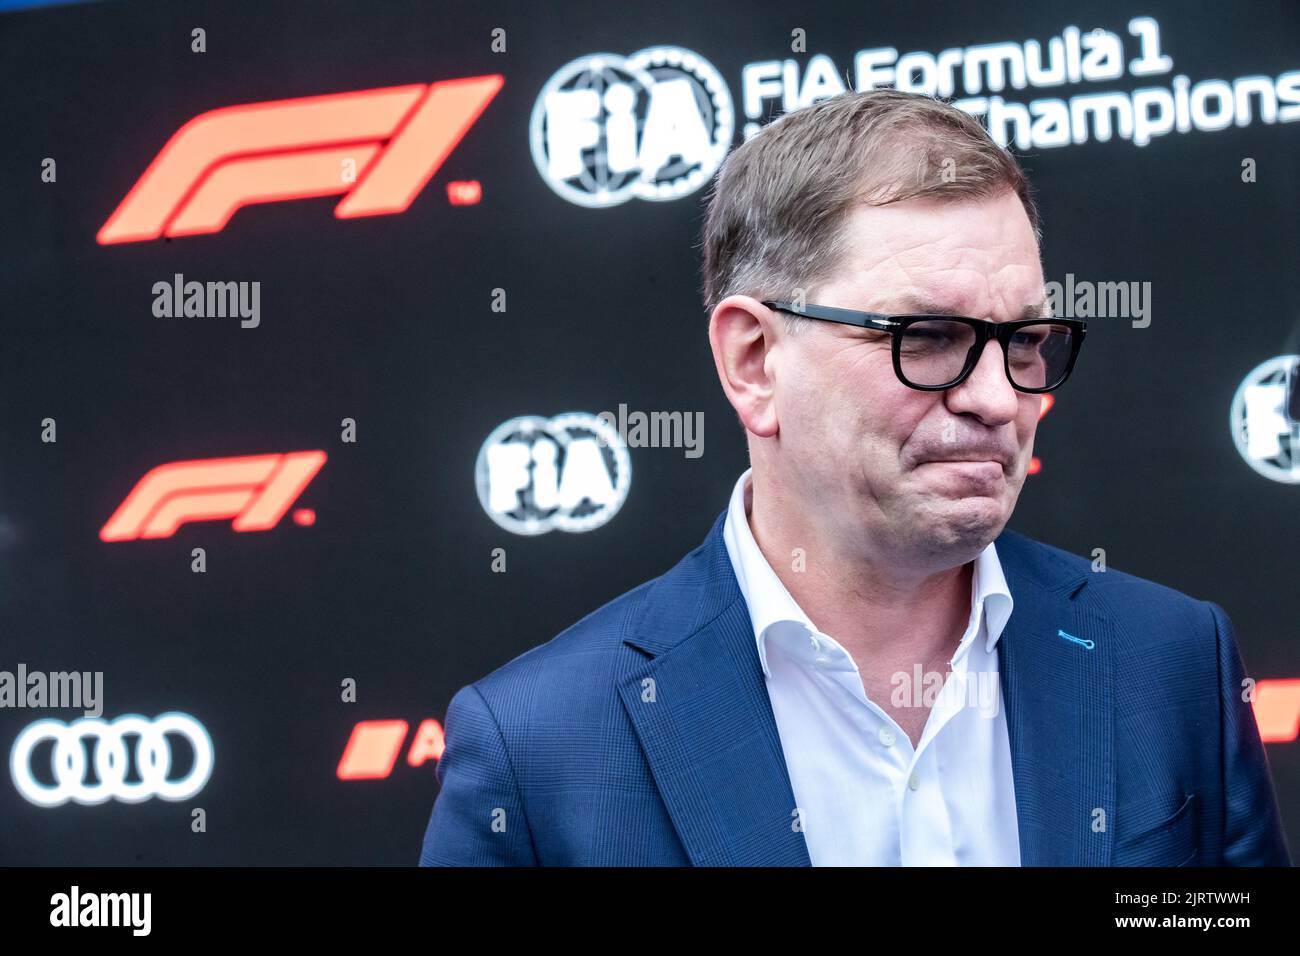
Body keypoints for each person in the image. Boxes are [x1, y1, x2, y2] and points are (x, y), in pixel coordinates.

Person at [419, 89, 1291, 866]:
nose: (998, 398)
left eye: (1023, 341)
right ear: (754, 361)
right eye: (929, 337)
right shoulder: (540, 749)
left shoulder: (1170, 665)